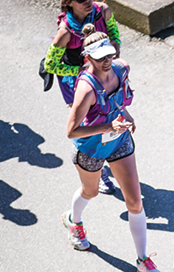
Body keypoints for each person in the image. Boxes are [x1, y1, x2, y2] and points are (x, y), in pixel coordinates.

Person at [60, 24, 162, 272]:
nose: (107, 61)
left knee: (135, 202)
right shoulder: (86, 89)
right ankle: (74, 220)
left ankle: (143, 261)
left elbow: (119, 101)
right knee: (90, 192)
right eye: (100, 58)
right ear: (87, 58)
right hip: (91, 148)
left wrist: (125, 115)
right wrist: (108, 125)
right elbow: (71, 131)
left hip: (119, 141)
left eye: (109, 55)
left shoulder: (121, 68)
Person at [44, 0, 121, 194]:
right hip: (77, 83)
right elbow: (50, 65)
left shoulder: (103, 11)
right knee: (87, 125)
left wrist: (113, 50)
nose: (88, 1)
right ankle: (98, 168)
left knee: (109, 114)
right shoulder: (65, 33)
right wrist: (81, 70)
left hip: (103, 74)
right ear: (69, 2)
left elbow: (115, 35)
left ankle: (109, 153)